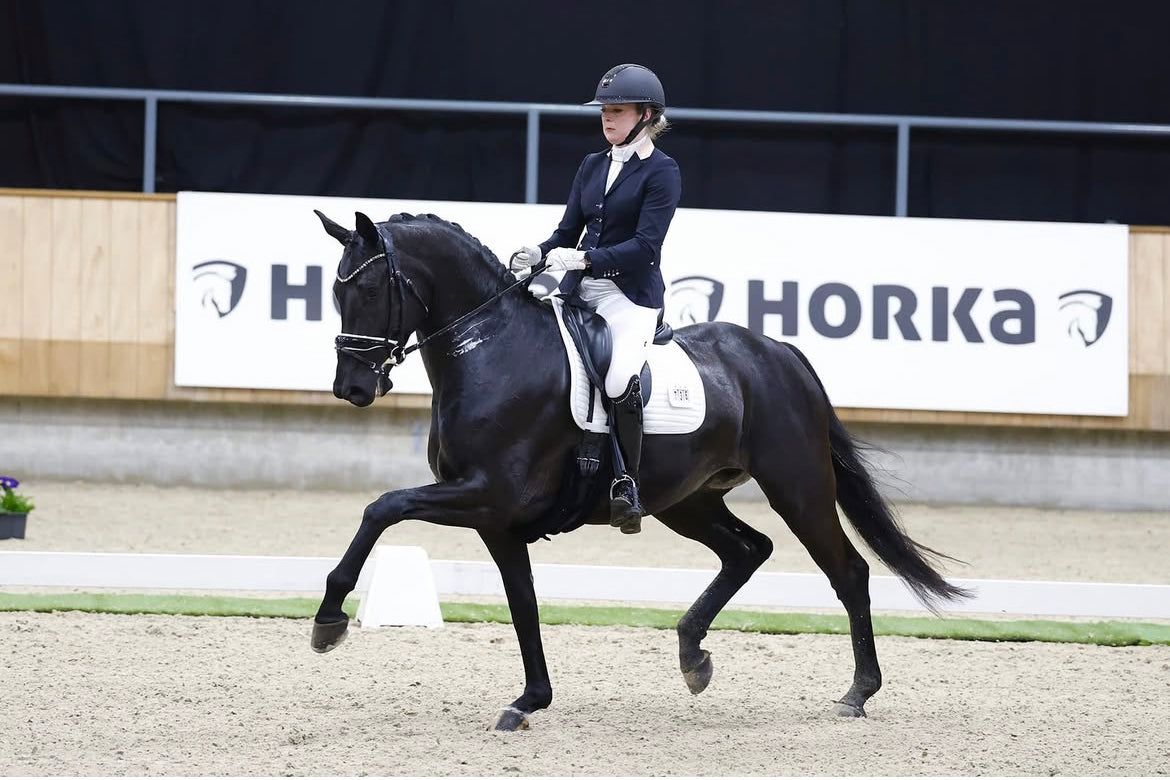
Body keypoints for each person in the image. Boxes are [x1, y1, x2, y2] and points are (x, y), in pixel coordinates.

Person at [512, 63, 682, 535]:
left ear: (647, 115)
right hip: (579, 292)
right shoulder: (592, 165)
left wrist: (583, 261)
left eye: (617, 110)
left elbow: (646, 248)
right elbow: (568, 230)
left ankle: (627, 483)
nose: (607, 119)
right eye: (604, 111)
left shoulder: (663, 172)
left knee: (618, 380)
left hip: (629, 297)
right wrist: (540, 252)